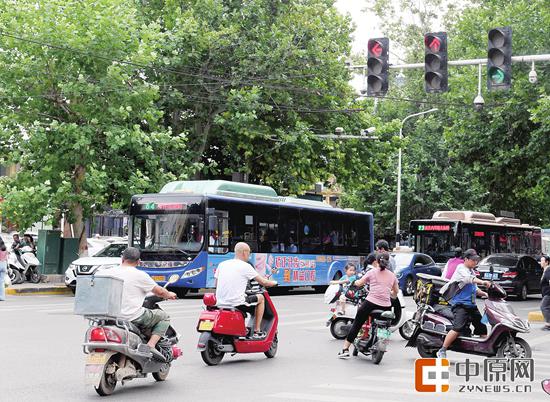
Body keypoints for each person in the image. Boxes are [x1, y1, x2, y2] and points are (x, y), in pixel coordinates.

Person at [105, 247, 176, 359]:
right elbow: (160, 291)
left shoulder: (107, 272)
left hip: (108, 316)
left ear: (122, 259)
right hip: (131, 316)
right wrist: (169, 294)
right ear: (138, 261)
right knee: (164, 317)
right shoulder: (140, 275)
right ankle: (151, 345)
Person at [338, 252, 398, 359]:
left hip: (370, 303)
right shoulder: (392, 275)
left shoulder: (372, 272)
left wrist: (354, 282)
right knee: (386, 324)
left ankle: (345, 349)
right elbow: (395, 293)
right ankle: (381, 340)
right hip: (386, 306)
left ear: (376, 262)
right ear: (388, 262)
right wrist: (390, 294)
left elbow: (359, 283)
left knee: (357, 323)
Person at [214, 242, 277, 339]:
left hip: (220, 302)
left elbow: (216, 285)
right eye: (249, 252)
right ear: (244, 252)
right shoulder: (245, 266)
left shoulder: (222, 264)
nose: (249, 255)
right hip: (237, 303)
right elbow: (264, 282)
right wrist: (274, 282)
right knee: (261, 298)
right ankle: (257, 331)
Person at [437, 249, 491, 358]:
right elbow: (468, 279)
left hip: (471, 305)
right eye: (473, 260)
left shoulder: (471, 271)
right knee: (457, 328)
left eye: (476, 260)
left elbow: (475, 289)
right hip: (460, 304)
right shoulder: (461, 269)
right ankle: (442, 350)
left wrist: (486, 294)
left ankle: (488, 350)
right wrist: (483, 282)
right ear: (466, 259)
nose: (475, 262)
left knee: (481, 326)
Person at [540, 255, 550, 331]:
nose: (541, 262)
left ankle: (548, 324)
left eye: (542, 261)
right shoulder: (545, 270)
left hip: (548, 294)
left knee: (543, 307)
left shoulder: (548, 270)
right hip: (546, 293)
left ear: (547, 262)